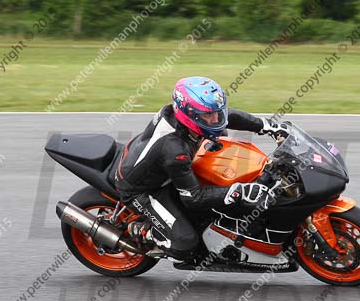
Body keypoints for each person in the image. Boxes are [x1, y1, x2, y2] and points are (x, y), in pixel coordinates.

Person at [112, 76, 289, 261]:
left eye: (217, 113)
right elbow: (193, 198)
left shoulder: (183, 115)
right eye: (208, 115)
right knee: (185, 245)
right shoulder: (175, 151)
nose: (216, 119)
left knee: (221, 137)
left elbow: (227, 117)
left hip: (159, 165)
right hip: (142, 190)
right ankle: (145, 232)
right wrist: (240, 191)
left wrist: (268, 126)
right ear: (188, 114)